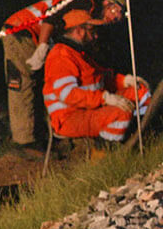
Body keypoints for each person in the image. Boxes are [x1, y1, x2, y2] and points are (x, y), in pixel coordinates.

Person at [1, 0, 126, 153]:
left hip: (35, 34)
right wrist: (43, 46)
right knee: (23, 83)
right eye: (115, 11)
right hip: (22, 30)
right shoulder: (84, 0)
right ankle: (25, 143)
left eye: (118, 19)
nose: (114, 17)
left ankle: (48, 133)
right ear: (107, 2)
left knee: (49, 84)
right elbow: (51, 17)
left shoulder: (86, 15)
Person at [42, 8, 148, 144]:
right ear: (79, 31)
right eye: (92, 31)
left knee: (140, 92)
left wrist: (125, 81)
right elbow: (68, 95)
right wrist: (104, 98)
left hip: (90, 109)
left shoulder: (79, 54)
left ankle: (143, 131)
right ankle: (107, 151)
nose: (96, 36)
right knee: (120, 112)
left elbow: (101, 79)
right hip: (70, 118)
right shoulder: (61, 56)